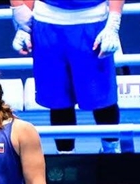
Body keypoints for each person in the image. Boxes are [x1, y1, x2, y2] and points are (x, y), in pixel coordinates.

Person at [10, 0, 124, 154]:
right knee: (58, 100)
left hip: (93, 21)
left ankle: (111, 151)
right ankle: (65, 158)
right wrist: (23, 23)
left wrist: (113, 24)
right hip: (46, 22)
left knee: (101, 97)